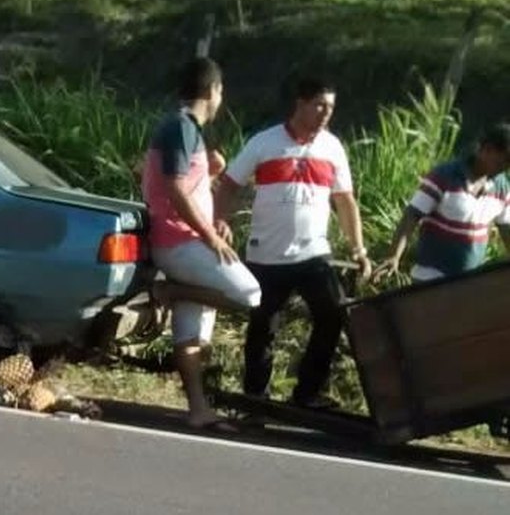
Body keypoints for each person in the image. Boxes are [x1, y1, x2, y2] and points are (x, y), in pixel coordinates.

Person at [214, 76, 370, 410]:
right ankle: (256, 396)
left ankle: (307, 394)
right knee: (263, 327)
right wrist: (218, 220)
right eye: (319, 105)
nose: (325, 113)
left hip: (314, 254)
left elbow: (345, 202)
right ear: (300, 103)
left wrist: (358, 247)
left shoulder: (332, 148)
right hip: (267, 254)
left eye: (330, 107)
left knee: (332, 316)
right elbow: (228, 184)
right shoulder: (264, 143)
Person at [137, 56, 262, 430]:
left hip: (184, 238)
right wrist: (209, 235)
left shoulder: (184, 129)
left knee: (192, 334)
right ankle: (171, 290)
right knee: (250, 295)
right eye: (221, 90)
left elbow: (185, 185)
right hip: (180, 242)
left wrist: (214, 219)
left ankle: (198, 409)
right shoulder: (181, 126)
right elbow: (174, 189)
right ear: (212, 91)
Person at [375, 123, 510, 283]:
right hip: (431, 281)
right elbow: (412, 215)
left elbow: (506, 228)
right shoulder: (444, 176)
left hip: (470, 285)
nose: (506, 167)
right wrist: (393, 256)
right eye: (505, 160)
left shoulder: (502, 187)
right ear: (487, 150)